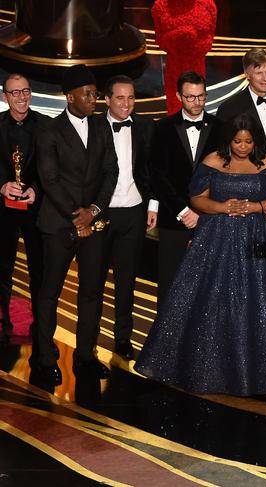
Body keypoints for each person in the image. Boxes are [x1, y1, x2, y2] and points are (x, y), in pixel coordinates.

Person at [135, 113, 266, 395]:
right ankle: (208, 368)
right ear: (227, 140)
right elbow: (197, 199)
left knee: (264, 304)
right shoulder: (212, 161)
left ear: (255, 141)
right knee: (213, 301)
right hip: (216, 238)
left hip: (261, 239)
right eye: (237, 141)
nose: (242, 146)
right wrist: (224, 207)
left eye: (247, 141)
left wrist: (253, 207)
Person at [33, 64, 118, 387]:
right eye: (87, 94)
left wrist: (93, 211)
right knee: (49, 293)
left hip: (93, 224)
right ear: (69, 97)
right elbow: (49, 179)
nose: (93, 99)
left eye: (95, 93)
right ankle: (45, 359)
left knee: (92, 293)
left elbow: (111, 171)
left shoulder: (101, 127)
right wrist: (76, 214)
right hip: (58, 223)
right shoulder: (50, 130)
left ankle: (86, 356)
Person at [149, 71, 221, 307]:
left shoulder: (221, 128)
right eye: (190, 97)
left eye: (201, 97)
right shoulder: (162, 128)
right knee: (170, 283)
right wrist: (183, 211)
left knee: (209, 285)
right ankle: (166, 341)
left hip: (211, 220)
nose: (196, 103)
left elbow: (224, 175)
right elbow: (158, 176)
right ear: (179, 96)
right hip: (174, 219)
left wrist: (205, 211)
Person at [100, 75, 157, 360]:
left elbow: (155, 170)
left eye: (131, 97)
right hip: (101, 213)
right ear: (107, 99)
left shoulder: (147, 127)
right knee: (93, 281)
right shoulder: (93, 126)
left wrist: (153, 206)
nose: (126, 103)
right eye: (120, 98)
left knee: (126, 282)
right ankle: (87, 342)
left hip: (134, 212)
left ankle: (123, 338)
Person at [0, 74, 49, 347]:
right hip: (2, 210)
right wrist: (1, 185)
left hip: (36, 209)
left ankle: (41, 327)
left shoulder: (46, 125)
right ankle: (2, 324)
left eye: (25, 91)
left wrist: (36, 189)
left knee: (39, 272)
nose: (21, 97)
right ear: (5, 96)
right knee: (1, 270)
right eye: (15, 92)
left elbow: (52, 167)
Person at [217, 48, 266, 156]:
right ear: (247, 74)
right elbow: (223, 149)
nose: (265, 78)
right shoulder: (229, 108)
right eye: (259, 73)